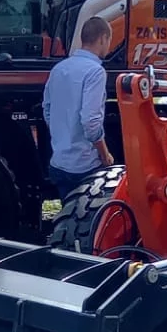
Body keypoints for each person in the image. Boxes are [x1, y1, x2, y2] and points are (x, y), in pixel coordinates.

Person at [43, 15, 116, 197]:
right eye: (109, 40)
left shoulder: (59, 68)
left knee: (67, 217)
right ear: (102, 38)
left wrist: (63, 137)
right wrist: (105, 155)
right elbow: (91, 122)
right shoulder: (95, 72)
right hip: (84, 168)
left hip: (59, 163)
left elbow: (47, 110)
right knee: (90, 222)